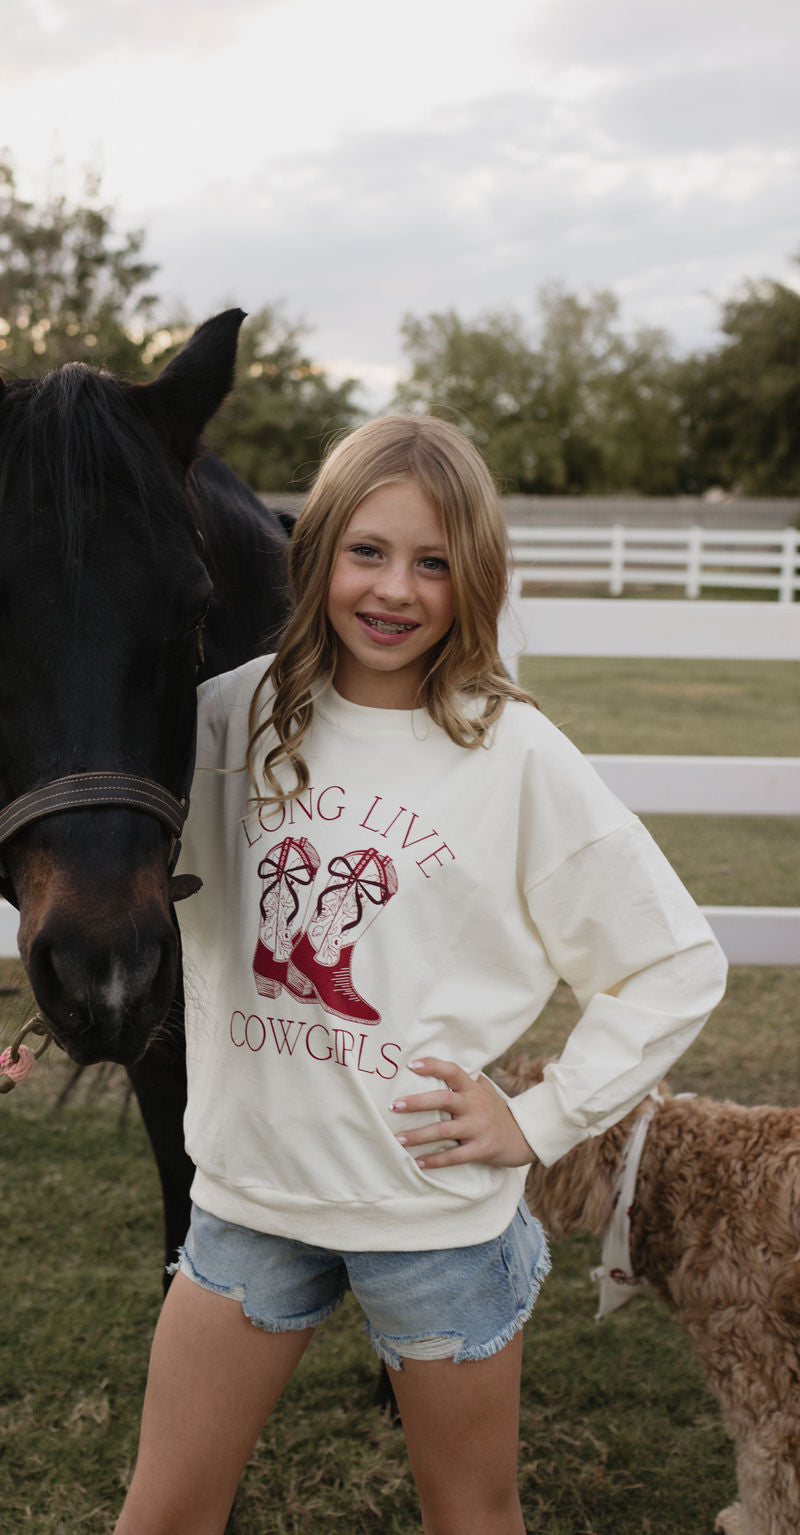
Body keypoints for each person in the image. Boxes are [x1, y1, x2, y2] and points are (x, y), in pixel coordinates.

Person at [114, 415, 727, 1535]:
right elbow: (117, 859)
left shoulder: (516, 754)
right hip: (249, 1202)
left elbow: (672, 963)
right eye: (368, 550)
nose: (395, 588)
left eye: (434, 561)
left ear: (475, 578)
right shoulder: (228, 721)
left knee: (472, 1520)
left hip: (436, 1225)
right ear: (318, 557)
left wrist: (538, 1116)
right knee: (159, 1518)